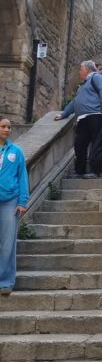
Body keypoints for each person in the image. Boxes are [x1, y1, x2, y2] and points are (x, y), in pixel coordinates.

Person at [55, 60, 102, 178]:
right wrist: (64, 114)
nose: (79, 71)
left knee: (96, 145)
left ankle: (95, 171)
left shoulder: (96, 77)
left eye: (81, 69)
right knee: (79, 145)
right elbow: (75, 101)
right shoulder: (83, 85)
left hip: (95, 116)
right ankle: (80, 171)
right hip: (83, 119)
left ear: (87, 70)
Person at [0, 117, 29, 296]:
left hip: (10, 201)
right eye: (3, 126)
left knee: (7, 244)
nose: (7, 129)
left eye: (9, 127)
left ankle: (5, 282)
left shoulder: (16, 151)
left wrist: (22, 202)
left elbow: (23, 176)